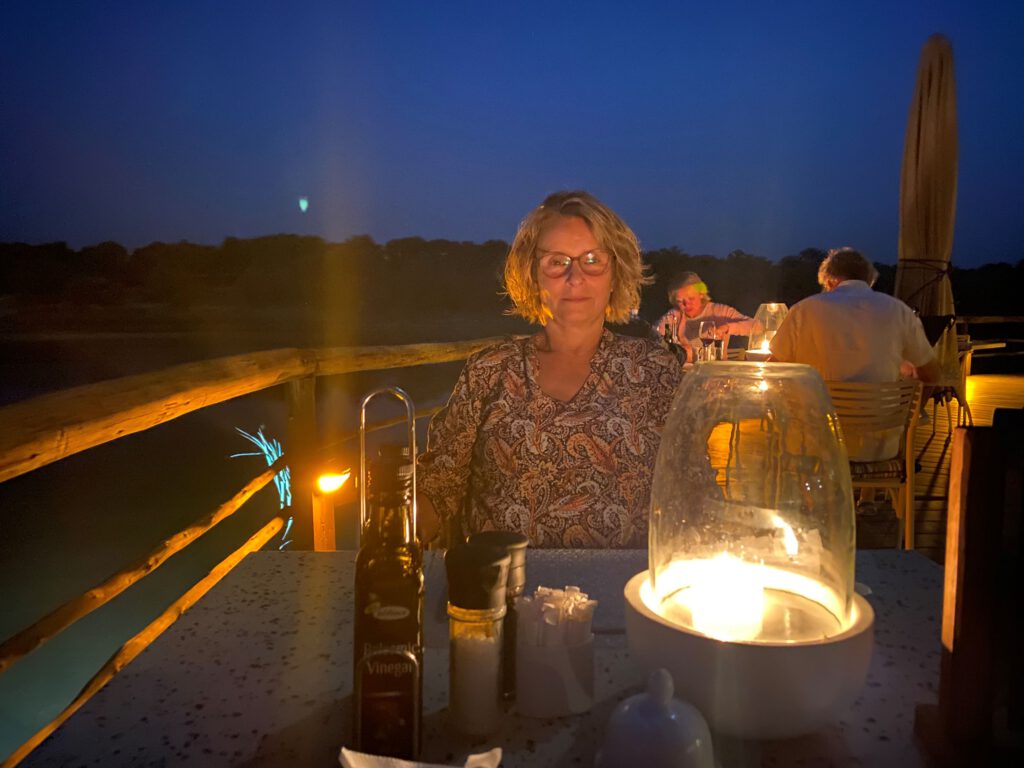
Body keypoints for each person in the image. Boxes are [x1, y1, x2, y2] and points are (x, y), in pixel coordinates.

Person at [417, 191, 683, 548]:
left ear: (615, 273)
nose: (575, 277)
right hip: (505, 579)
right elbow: (439, 485)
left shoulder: (656, 370)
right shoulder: (490, 370)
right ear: (532, 276)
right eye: (557, 262)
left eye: (593, 260)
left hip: (627, 581)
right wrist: (398, 520)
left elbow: (689, 484)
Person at [769, 247, 941, 460]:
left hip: (812, 446)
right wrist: (909, 417)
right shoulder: (898, 310)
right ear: (869, 281)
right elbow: (932, 375)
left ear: (829, 281)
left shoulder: (803, 310)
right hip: (878, 448)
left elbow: (771, 372)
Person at [654, 272, 753, 361]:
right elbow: (654, 339)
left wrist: (727, 328)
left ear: (701, 294)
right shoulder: (673, 317)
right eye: (680, 301)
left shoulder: (720, 312)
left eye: (691, 298)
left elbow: (756, 326)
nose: (686, 305)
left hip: (715, 371)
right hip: (684, 373)